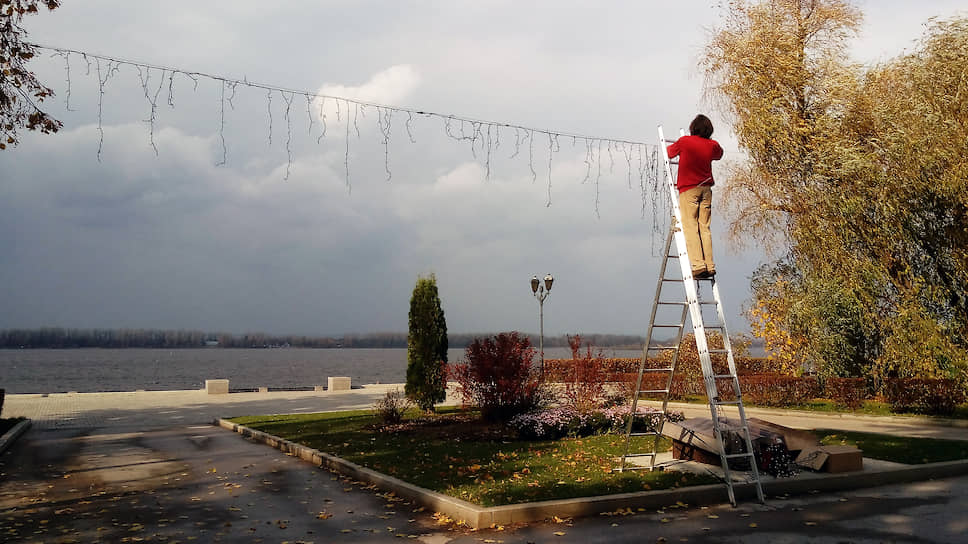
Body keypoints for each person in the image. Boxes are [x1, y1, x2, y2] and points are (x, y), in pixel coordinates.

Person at [666, 114, 723, 279]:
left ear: (693, 128)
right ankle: (710, 265)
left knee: (690, 226)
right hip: (706, 190)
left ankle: (698, 266)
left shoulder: (685, 142)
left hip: (689, 189)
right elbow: (719, 154)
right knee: (704, 227)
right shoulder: (712, 145)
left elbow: (669, 153)